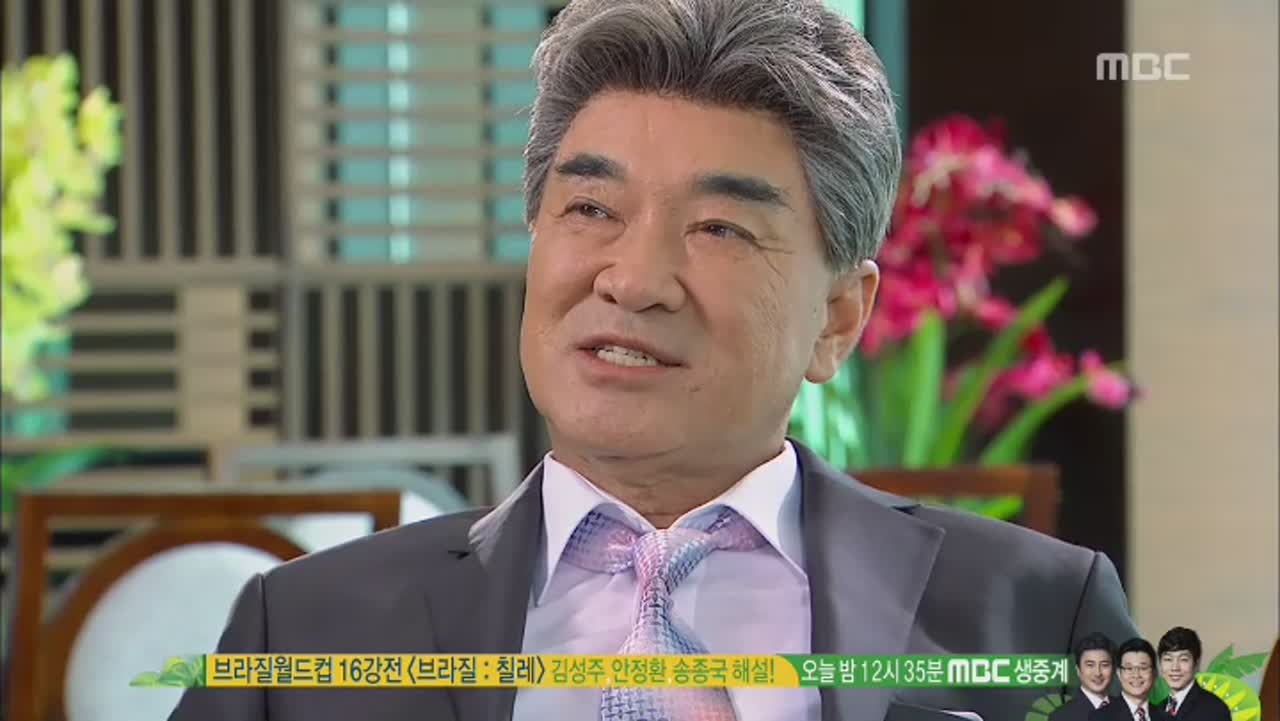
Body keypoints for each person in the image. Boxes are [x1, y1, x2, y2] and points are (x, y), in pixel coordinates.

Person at [168, 1, 1137, 719]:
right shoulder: (301, 631)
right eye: (590, 209)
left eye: (719, 227)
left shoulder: (1039, 616)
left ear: (838, 317)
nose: (633, 280)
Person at [1157, 627, 1231, 720]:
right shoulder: (1158, 710)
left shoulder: (1214, 708)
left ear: (1196, 663)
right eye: (1168, 659)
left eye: (1183, 659)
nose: (1175, 667)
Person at [1095, 638, 1173, 721]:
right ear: (1119, 673)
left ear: (1154, 673)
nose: (1136, 675)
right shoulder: (1100, 717)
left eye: (1143, 668)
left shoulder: (1167, 719)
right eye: (1129, 668)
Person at [1052, 632, 1118, 719]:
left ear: (1114, 669)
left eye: (1104, 665)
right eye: (1090, 665)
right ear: (1078, 670)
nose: (1097, 673)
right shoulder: (1061, 716)